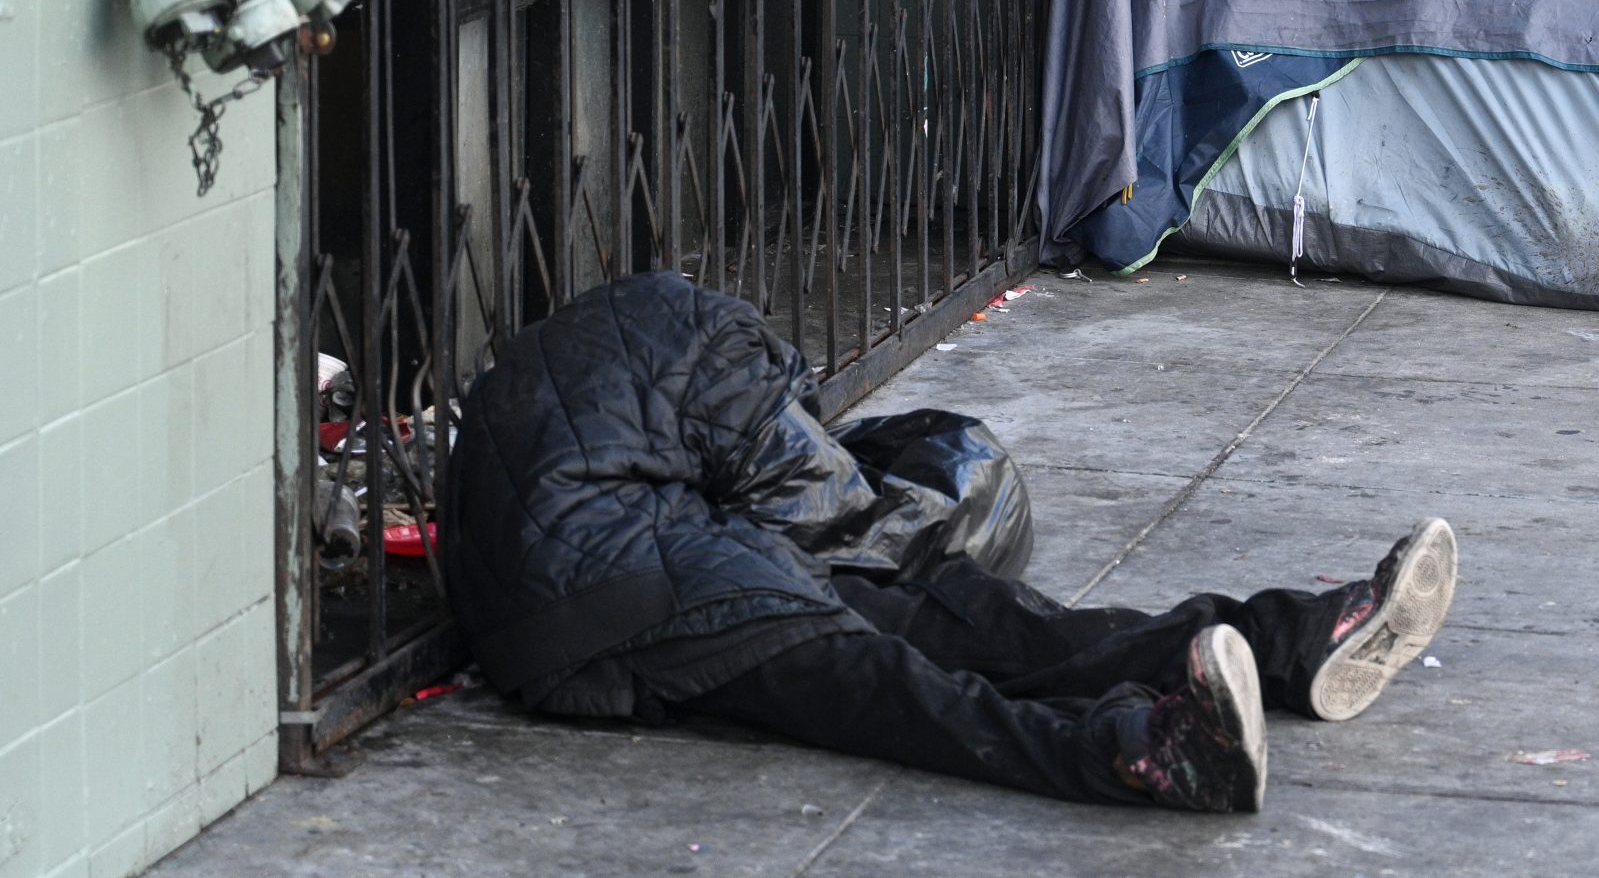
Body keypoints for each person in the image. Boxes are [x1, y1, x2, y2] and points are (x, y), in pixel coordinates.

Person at [450, 272, 1462, 813]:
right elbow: (822, 504)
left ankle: (1287, 644)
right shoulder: (721, 353)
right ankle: (1138, 754)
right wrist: (908, 542)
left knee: (969, 621)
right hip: (621, 596)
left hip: (605, 581)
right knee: (901, 678)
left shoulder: (622, 355)